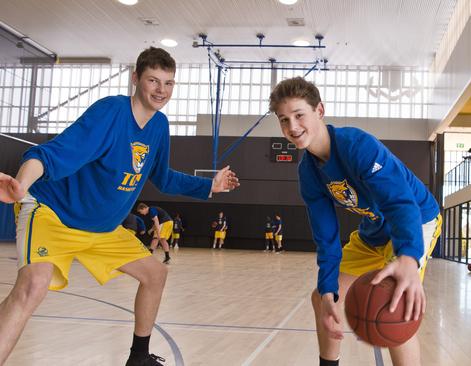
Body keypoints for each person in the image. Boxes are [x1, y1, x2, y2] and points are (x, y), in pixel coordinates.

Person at [0, 46, 239, 366]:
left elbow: (163, 178)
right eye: (153, 81)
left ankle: (138, 358)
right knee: (32, 287)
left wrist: (209, 185)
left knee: (155, 275)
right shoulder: (110, 112)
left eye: (168, 83)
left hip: (101, 230)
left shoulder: (159, 126)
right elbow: (51, 154)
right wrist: (22, 184)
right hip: (54, 215)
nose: (161, 91)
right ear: (136, 78)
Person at [269, 77, 442, 366]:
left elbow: (400, 204)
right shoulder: (308, 173)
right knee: (323, 297)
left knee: (395, 308)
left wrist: (409, 259)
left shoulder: (357, 146)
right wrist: (327, 290)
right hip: (373, 232)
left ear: (319, 111)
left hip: (417, 219)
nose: (293, 127)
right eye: (284, 120)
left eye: (299, 115)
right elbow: (326, 237)